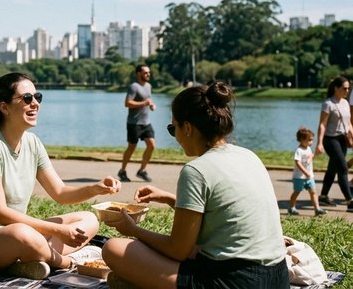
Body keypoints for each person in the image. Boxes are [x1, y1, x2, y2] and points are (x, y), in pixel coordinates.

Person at [101, 82, 289, 288]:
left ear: (188, 128)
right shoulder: (249, 156)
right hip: (277, 277)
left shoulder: (196, 170)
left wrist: (133, 229)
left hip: (232, 281)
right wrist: (169, 199)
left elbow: (177, 249)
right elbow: (221, 213)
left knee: (113, 248)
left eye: (173, 128)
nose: (175, 137)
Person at [0, 72, 120, 280]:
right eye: (26, 98)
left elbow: (60, 193)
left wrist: (95, 188)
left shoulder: (32, 143)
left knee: (87, 219)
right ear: (4, 107)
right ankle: (73, 261)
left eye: (37, 97)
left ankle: (27, 262)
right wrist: (59, 231)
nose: (35, 104)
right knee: (23, 235)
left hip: (19, 233)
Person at [315, 76, 353, 211]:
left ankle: (323, 197)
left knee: (333, 168)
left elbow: (348, 122)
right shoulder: (328, 104)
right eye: (344, 88)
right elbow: (322, 125)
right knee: (343, 168)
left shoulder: (345, 103)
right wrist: (319, 143)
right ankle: (350, 201)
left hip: (342, 140)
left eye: (348, 88)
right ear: (336, 88)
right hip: (331, 140)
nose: (347, 91)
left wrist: (351, 133)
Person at [118, 64, 156, 183]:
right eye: (145, 72)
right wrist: (144, 103)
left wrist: (151, 105)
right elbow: (127, 103)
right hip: (134, 123)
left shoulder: (148, 86)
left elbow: (148, 100)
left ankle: (142, 171)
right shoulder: (133, 87)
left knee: (151, 145)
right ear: (138, 74)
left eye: (148, 72)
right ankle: (122, 171)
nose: (148, 74)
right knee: (131, 147)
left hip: (146, 122)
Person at [289, 127, 326, 216]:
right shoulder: (299, 150)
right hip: (299, 177)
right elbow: (297, 162)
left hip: (309, 177)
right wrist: (305, 172)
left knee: (313, 192)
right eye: (309, 140)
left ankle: (317, 209)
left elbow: (309, 157)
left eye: (312, 140)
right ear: (302, 139)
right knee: (297, 192)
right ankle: (291, 207)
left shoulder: (308, 148)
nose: (311, 142)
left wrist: (316, 154)